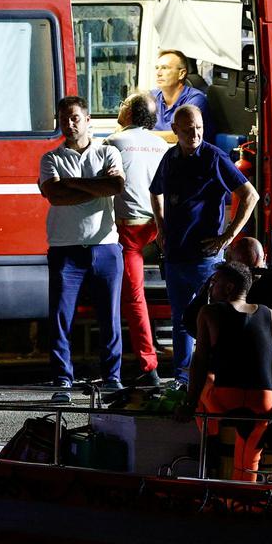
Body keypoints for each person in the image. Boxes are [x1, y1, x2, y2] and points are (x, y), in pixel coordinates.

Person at [150, 103, 258, 384]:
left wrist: (228, 236)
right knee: (181, 321)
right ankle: (183, 379)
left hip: (204, 258)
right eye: (188, 130)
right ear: (175, 131)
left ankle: (216, 377)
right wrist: (160, 228)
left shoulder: (213, 157)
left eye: (199, 128)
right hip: (176, 256)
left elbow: (250, 195)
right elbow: (155, 191)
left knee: (212, 320)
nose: (195, 134)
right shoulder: (170, 158)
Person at [175, 261, 272, 481]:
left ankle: (211, 444)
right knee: (249, 459)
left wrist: (188, 404)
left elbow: (199, 361)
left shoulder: (209, 313)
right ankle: (246, 498)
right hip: (263, 401)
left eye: (215, 283)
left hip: (226, 399)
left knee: (207, 379)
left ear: (228, 287)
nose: (211, 288)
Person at [38, 95, 125, 400]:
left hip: (106, 247)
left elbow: (115, 187)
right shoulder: (50, 158)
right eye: (64, 119)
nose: (70, 123)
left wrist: (71, 182)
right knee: (61, 318)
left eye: (75, 117)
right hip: (65, 248)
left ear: (88, 120)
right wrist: (94, 185)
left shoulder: (108, 152)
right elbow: (55, 196)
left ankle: (112, 378)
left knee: (110, 317)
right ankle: (63, 379)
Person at [108, 93, 167, 386]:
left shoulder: (113, 143)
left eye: (123, 104)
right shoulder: (161, 144)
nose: (120, 107)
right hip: (157, 228)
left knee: (133, 298)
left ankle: (148, 366)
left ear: (130, 113)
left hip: (127, 230)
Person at [150, 49, 211, 143]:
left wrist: (142, 135)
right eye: (157, 68)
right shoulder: (151, 97)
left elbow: (181, 135)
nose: (158, 73)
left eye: (165, 68)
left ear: (181, 74)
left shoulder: (196, 100)